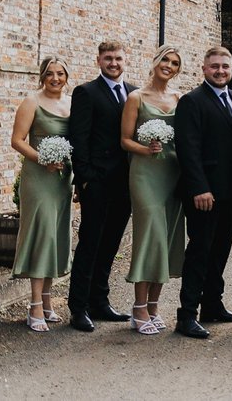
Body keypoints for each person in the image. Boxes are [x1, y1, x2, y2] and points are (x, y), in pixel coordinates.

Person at [174, 46, 232, 339]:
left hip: (231, 189)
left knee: (221, 251)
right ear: (204, 69)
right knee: (200, 251)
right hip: (204, 193)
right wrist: (199, 187)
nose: (221, 71)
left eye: (225, 66)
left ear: (231, 69)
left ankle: (213, 305)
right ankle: (187, 315)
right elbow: (188, 148)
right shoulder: (192, 101)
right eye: (215, 66)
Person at [68, 41, 136, 332]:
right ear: (98, 60)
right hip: (96, 182)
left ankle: (100, 302)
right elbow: (78, 139)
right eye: (108, 58)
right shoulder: (86, 92)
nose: (113, 62)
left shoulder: (134, 92)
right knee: (90, 244)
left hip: (126, 182)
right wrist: (85, 179)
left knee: (110, 244)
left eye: (118, 58)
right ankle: (78, 307)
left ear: (125, 60)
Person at [120, 45, 185, 335]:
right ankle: (138, 308)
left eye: (174, 63)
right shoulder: (136, 98)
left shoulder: (178, 98)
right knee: (150, 235)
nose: (168, 66)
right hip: (145, 173)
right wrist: (146, 149)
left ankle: (155, 306)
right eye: (165, 60)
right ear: (155, 61)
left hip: (172, 172)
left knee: (168, 238)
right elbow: (124, 140)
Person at [10, 57, 75, 332]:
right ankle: (34, 305)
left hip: (62, 179)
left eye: (60, 74)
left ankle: (48, 303)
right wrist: (42, 160)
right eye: (50, 74)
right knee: (41, 235)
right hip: (39, 177)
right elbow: (17, 141)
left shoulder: (72, 103)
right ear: (42, 76)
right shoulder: (31, 102)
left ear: (66, 76)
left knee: (56, 235)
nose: (55, 78)